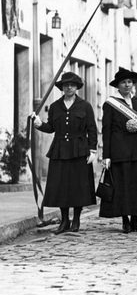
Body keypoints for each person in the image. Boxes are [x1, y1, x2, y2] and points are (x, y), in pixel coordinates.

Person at [31, 72, 97, 234]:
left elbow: (92, 129)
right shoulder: (55, 106)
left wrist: (93, 150)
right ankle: (65, 220)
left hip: (79, 151)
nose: (69, 88)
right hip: (59, 151)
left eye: (72, 85)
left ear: (76, 88)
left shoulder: (85, 106)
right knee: (61, 186)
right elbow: (51, 127)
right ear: (62, 88)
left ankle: (76, 219)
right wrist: (38, 123)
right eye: (66, 85)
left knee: (78, 186)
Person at [100, 67, 137, 234]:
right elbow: (106, 129)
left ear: (133, 84)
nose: (127, 85)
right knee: (123, 186)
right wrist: (106, 155)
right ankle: (125, 221)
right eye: (123, 82)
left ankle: (135, 220)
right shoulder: (110, 104)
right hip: (119, 151)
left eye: (129, 82)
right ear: (118, 85)